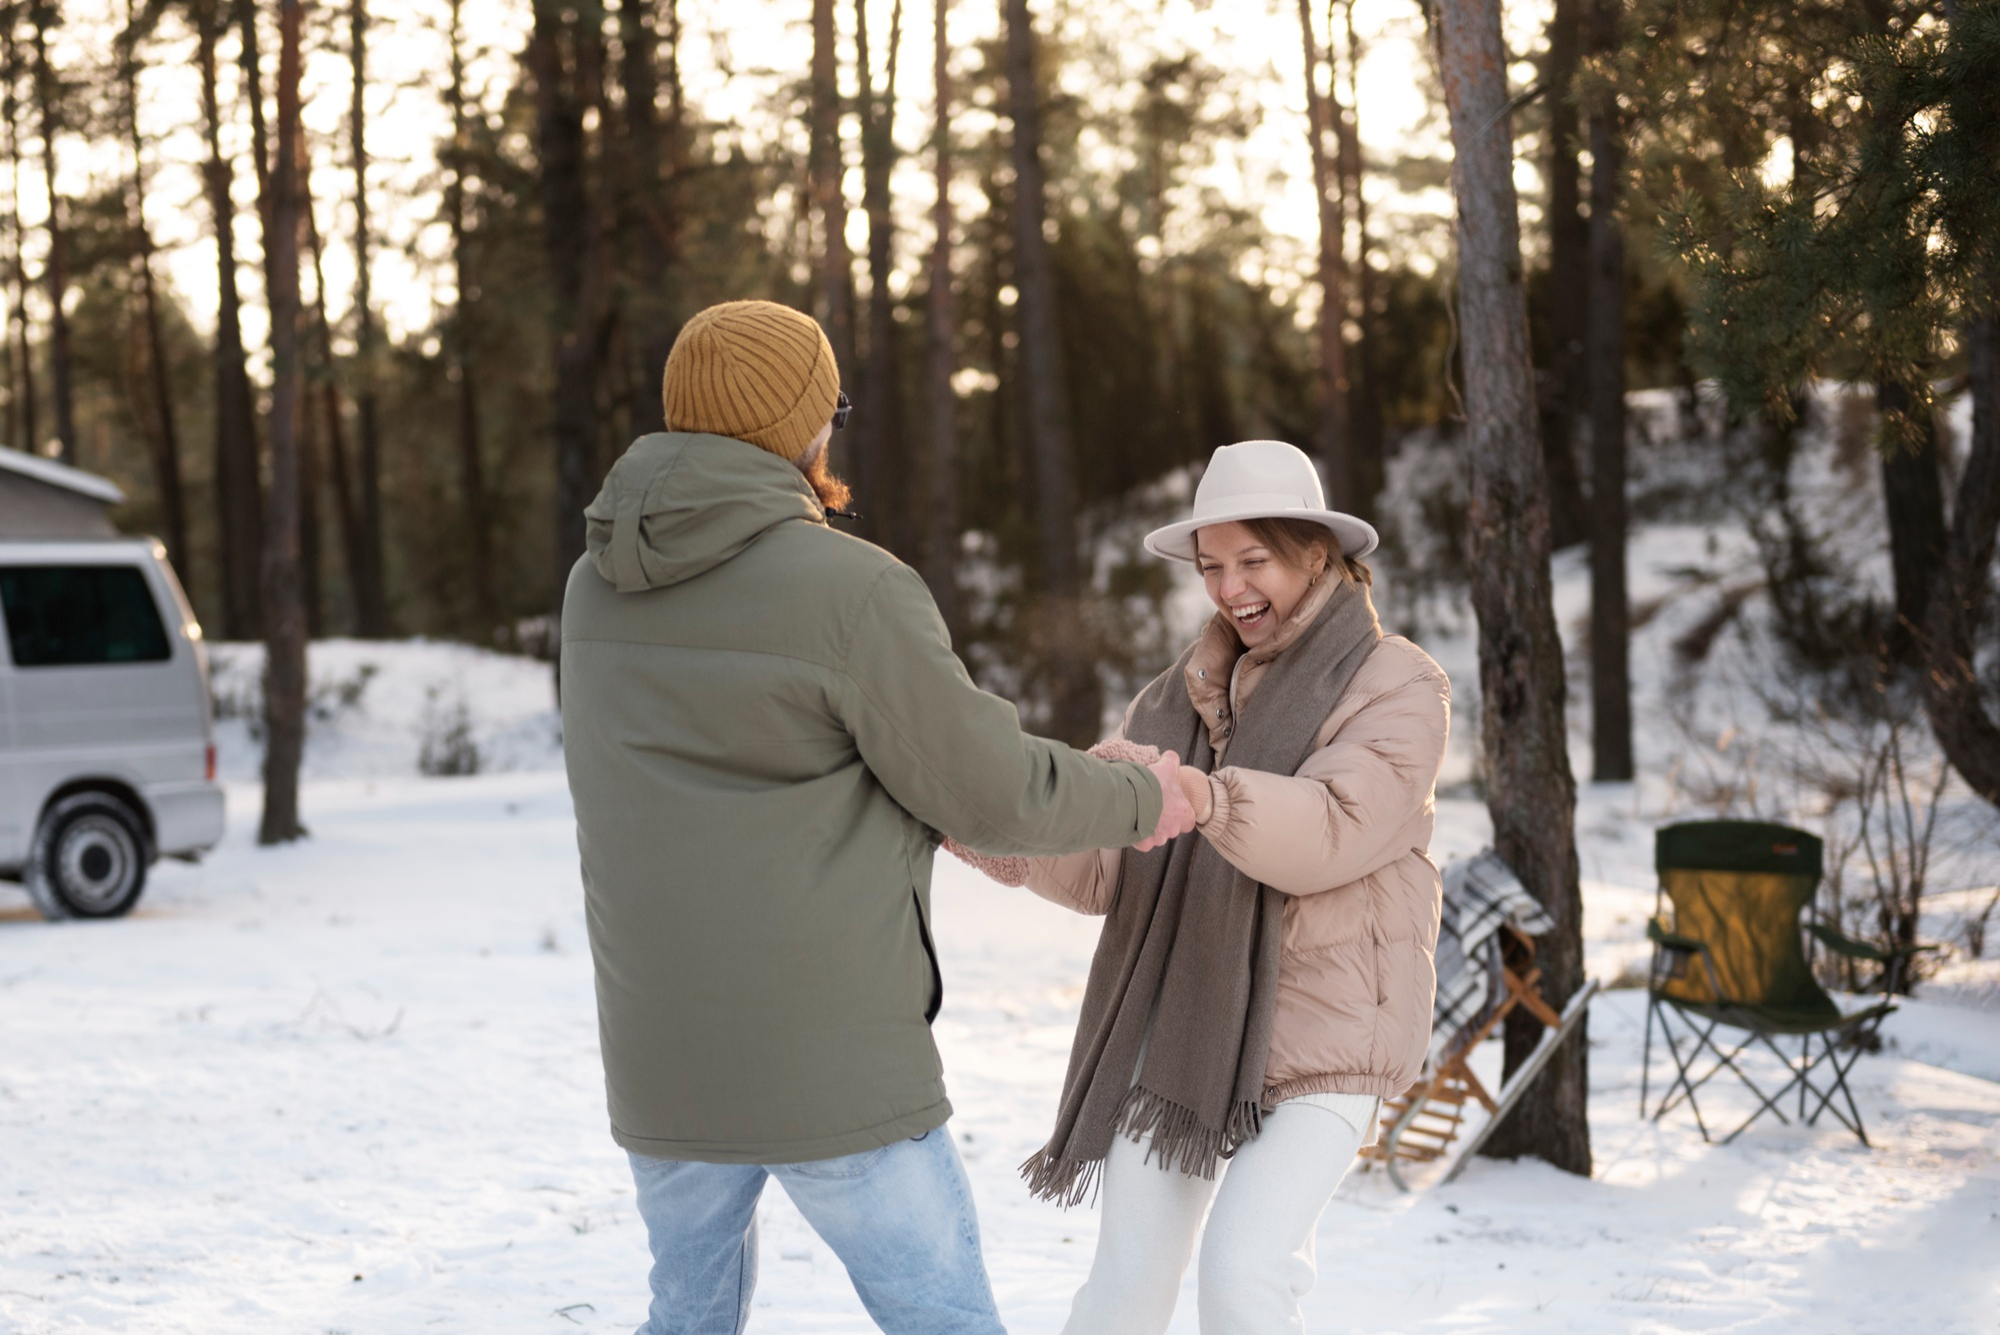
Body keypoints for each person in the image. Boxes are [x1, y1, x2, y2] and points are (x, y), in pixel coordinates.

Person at [558, 299, 1197, 1335]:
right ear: (802, 428)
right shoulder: (852, 590)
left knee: (686, 1317)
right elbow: (986, 788)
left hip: (661, 1057)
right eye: (831, 407)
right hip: (831, 1062)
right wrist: (1142, 796)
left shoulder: (594, 585)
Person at [1005, 438, 1449, 1335]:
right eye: (1212, 566)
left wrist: (1203, 795)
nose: (1230, 587)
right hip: (1191, 1023)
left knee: (1246, 1273)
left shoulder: (1397, 682)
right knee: (1123, 1291)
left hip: (1330, 1030)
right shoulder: (1181, 694)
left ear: (1315, 552)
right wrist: (991, 820)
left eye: (1255, 560)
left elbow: (1334, 826)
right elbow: (1106, 866)